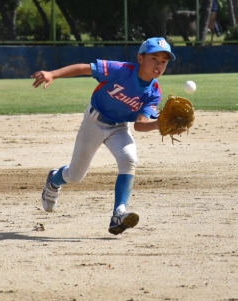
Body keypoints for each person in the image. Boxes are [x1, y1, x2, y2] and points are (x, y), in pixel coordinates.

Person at [30, 37, 175, 235]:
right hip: (94, 122)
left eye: (164, 61)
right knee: (75, 176)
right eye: (154, 59)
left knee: (129, 160)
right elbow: (85, 68)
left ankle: (119, 214)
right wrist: (53, 74)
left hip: (119, 127)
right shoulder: (121, 70)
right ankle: (54, 180)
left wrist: (160, 124)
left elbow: (140, 125)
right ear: (140, 58)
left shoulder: (154, 92)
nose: (159, 65)